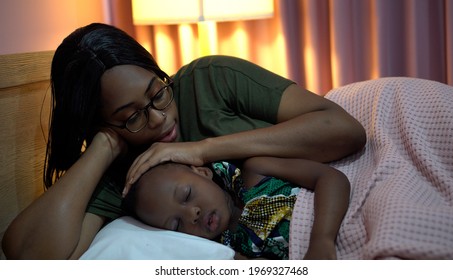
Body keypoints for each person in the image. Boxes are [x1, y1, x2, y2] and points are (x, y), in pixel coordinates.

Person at [2, 23, 366, 259]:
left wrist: (202, 148)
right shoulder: (126, 174)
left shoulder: (209, 81)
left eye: (156, 92)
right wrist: (104, 147)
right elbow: (28, 259)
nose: (160, 117)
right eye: (131, 116)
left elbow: (344, 130)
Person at [123, 157, 350, 260]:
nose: (192, 214)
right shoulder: (228, 253)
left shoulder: (256, 171)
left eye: (187, 195)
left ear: (202, 172)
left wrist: (322, 240)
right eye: (176, 224)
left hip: (337, 225)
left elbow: (330, 178)